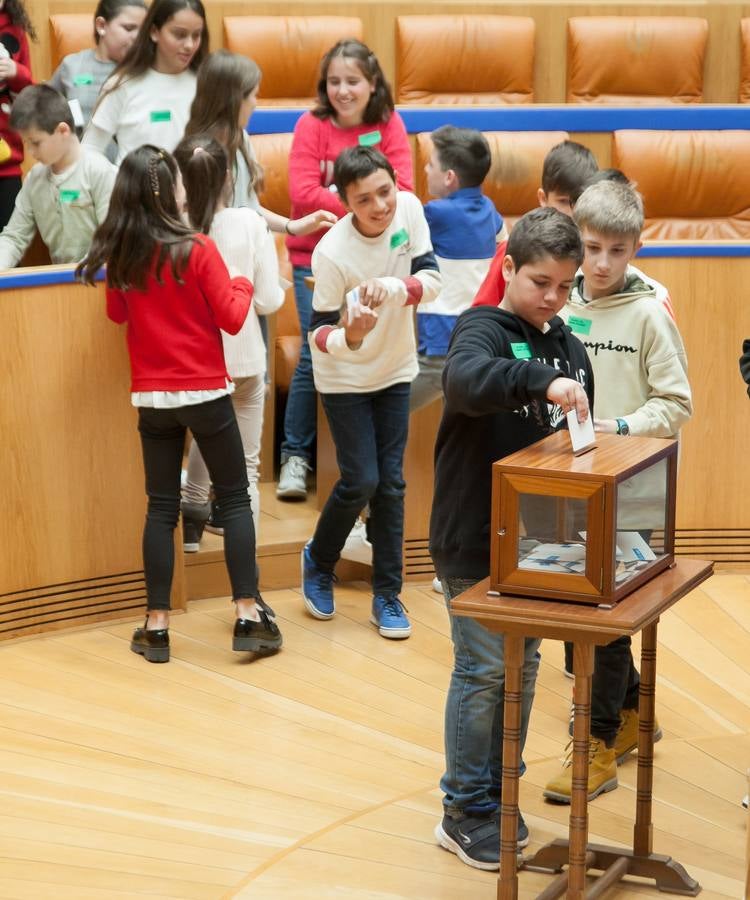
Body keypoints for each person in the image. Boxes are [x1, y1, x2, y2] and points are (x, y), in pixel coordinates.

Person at [430, 206, 593, 869]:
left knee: (520, 668)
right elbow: (467, 383)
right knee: (485, 668)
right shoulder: (482, 330)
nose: (552, 298)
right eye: (539, 282)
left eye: (564, 286)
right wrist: (538, 380)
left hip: (538, 544)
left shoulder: (572, 346)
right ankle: (463, 809)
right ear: (508, 270)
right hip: (472, 537)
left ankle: (499, 794)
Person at [76, 144, 281, 663]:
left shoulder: (123, 254)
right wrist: (241, 277)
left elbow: (118, 315)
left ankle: (156, 626)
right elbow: (234, 317)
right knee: (233, 499)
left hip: (151, 397)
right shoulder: (198, 248)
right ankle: (247, 617)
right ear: (171, 191)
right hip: (207, 392)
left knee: (161, 507)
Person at [543, 180, 692, 803]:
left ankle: (597, 742)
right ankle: (631, 711)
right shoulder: (556, 297)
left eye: (617, 251)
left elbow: (677, 403)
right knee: (581, 615)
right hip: (563, 484)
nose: (602, 263)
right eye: (592, 247)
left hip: (630, 490)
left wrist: (623, 427)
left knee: (600, 618)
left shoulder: (651, 310)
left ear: (637, 247)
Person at [300, 146, 440, 638]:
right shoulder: (332, 253)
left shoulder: (410, 209)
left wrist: (393, 286)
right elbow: (316, 332)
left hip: (396, 369)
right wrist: (351, 336)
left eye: (385, 191)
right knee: (361, 480)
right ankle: (318, 561)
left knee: (392, 484)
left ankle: (388, 595)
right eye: (365, 200)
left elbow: (433, 281)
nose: (380, 206)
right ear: (346, 203)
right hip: (344, 377)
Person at [278, 38, 414, 501]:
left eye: (352, 81)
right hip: (315, 259)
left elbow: (405, 189)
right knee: (317, 350)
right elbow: (300, 191)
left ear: (371, 83)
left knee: (375, 349)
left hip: (382, 260)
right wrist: (357, 207)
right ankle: (295, 456)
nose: (343, 90)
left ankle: (362, 465)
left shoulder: (388, 123)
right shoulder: (310, 125)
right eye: (334, 82)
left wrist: (354, 204)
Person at [173, 133, 284, 550]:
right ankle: (246, 568)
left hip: (194, 365)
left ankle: (191, 525)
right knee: (247, 470)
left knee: (205, 435)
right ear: (227, 177)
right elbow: (269, 300)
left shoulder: (170, 232)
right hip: (244, 361)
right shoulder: (250, 223)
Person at [185, 49, 337, 233]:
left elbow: (250, 209)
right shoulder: (199, 155)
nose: (255, 103)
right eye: (253, 95)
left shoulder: (241, 139)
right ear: (233, 100)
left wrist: (292, 226)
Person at [472, 139, 598, 309]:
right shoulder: (514, 247)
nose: (572, 211)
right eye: (563, 201)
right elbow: (481, 311)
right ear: (543, 199)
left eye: (580, 202)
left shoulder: (598, 254)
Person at [0, 84, 115, 269]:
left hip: (99, 281)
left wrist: (79, 272)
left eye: (36, 143)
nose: (30, 151)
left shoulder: (99, 171)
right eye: (26, 143)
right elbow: (14, 237)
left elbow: (109, 240)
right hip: (62, 289)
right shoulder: (34, 179)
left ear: (63, 131)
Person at [83, 0, 207, 164]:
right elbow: (90, 149)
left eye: (196, 35)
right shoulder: (122, 85)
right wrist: (114, 182)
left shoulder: (207, 84)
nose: (189, 45)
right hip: (132, 188)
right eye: (179, 35)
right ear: (154, 32)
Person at [47, 0, 147, 159]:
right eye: (129, 28)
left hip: (128, 173)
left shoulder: (145, 71)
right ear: (101, 26)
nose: (137, 38)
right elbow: (42, 110)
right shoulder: (72, 65)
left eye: (142, 31)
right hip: (78, 169)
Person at [0, 0, 35, 228]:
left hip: (7, 165)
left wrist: (17, 72)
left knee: (7, 238)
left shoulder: (15, 30)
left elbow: (30, 98)